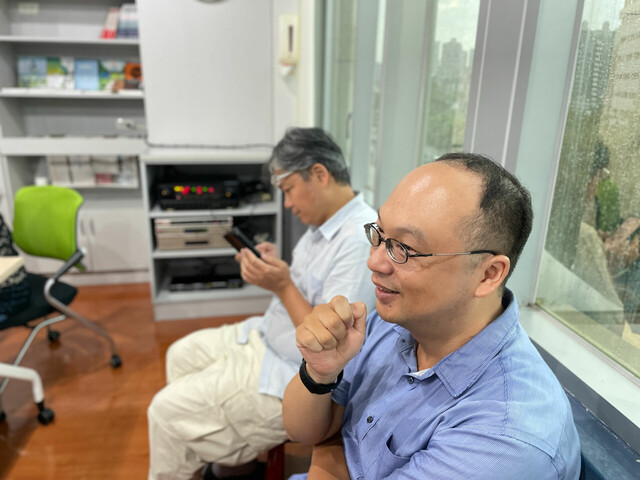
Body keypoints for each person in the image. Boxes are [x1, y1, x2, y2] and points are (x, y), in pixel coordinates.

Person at [283, 153, 581, 479]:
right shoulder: (395, 323)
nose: (375, 262)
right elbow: (306, 432)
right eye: (379, 234)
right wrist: (320, 371)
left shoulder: (505, 435)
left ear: (488, 274)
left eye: (405, 248)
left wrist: (329, 448)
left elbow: (328, 437)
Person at [147, 127, 377, 480]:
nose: (287, 203)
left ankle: (216, 448)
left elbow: (331, 343)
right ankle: (231, 462)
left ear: (319, 174)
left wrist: (281, 285)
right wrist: (278, 271)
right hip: (268, 335)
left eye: (288, 189)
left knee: (164, 412)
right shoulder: (323, 226)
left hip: (292, 371)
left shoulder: (357, 241)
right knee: (180, 354)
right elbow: (305, 292)